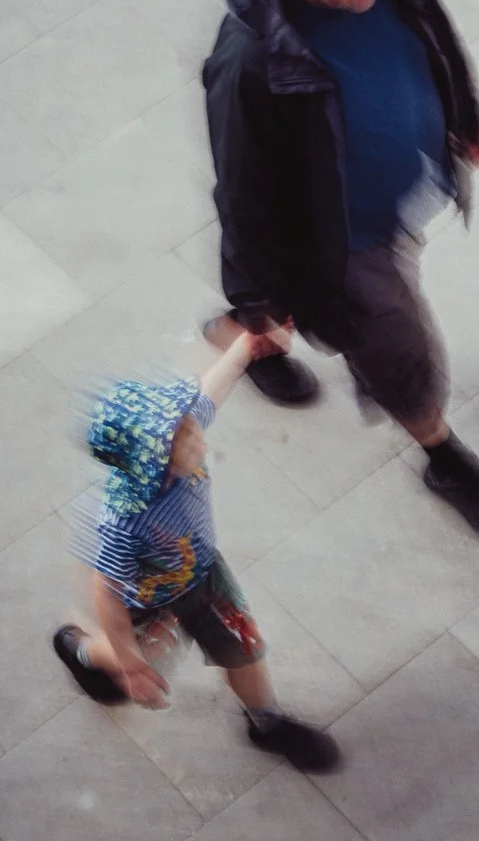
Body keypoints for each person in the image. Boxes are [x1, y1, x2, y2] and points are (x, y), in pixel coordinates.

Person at [202, 0, 479, 546]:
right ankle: (443, 457)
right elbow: (241, 191)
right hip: (344, 239)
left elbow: (432, 26)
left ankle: (252, 333)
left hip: (392, 195)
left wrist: (463, 109)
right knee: (399, 349)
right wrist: (256, 283)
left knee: (285, 315)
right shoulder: (250, 63)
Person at [53, 330, 340, 773]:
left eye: (188, 424)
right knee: (139, 653)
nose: (196, 433)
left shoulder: (183, 433)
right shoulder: (125, 520)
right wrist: (130, 666)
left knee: (244, 648)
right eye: (183, 435)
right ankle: (85, 653)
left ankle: (266, 723)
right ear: (153, 464)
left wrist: (248, 343)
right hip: (144, 601)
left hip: (203, 573)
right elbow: (106, 590)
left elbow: (212, 387)